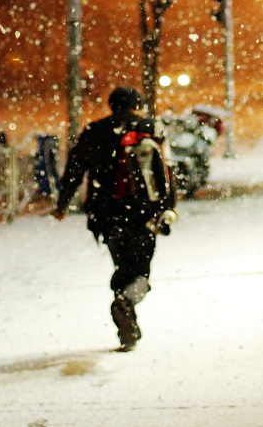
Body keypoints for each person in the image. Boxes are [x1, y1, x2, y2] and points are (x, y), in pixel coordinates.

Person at [54, 86, 175, 351]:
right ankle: (127, 301)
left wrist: (63, 203)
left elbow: (75, 167)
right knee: (139, 269)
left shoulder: (95, 131)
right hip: (143, 211)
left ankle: (125, 312)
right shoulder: (151, 128)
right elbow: (164, 171)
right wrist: (168, 207)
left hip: (106, 213)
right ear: (137, 104)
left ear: (112, 105)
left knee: (122, 264)